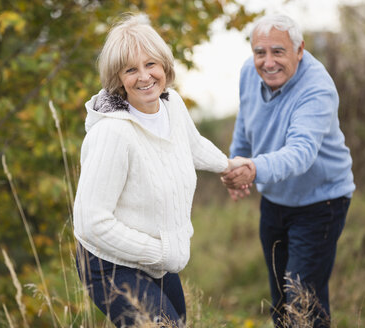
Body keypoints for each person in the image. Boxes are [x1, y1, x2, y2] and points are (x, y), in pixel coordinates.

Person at [73, 13, 248, 327]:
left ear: (165, 65)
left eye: (150, 64)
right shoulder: (112, 134)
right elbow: (91, 224)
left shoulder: (172, 105)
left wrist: (227, 166)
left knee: (176, 321)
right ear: (118, 78)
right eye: (131, 69)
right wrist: (162, 251)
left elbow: (191, 144)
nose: (144, 77)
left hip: (155, 260)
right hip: (109, 264)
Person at [221, 14, 355, 328]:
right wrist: (236, 163)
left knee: (303, 302)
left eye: (278, 52)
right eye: (260, 52)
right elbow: (245, 122)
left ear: (299, 50)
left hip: (321, 203)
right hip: (275, 201)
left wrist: (253, 169)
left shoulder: (316, 88)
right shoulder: (247, 72)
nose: (268, 62)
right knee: (282, 301)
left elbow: (300, 154)